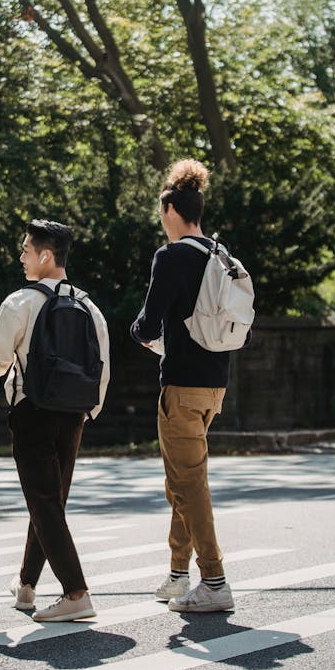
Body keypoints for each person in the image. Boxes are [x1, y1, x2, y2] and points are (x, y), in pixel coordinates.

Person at [0, 219, 110, 621]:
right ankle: (27, 586)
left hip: (33, 411)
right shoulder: (89, 307)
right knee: (49, 501)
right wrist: (90, 410)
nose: (21, 257)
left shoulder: (20, 302)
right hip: (73, 415)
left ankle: (76, 593)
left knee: (44, 501)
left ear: (45, 256)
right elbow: (103, 366)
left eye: (26, 250)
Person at [130, 159, 236, 613]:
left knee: (189, 483)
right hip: (215, 386)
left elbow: (148, 322)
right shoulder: (221, 255)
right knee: (182, 479)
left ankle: (214, 579)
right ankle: (178, 573)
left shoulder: (171, 256)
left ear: (170, 208)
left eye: (161, 210)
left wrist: (139, 332)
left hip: (181, 386)